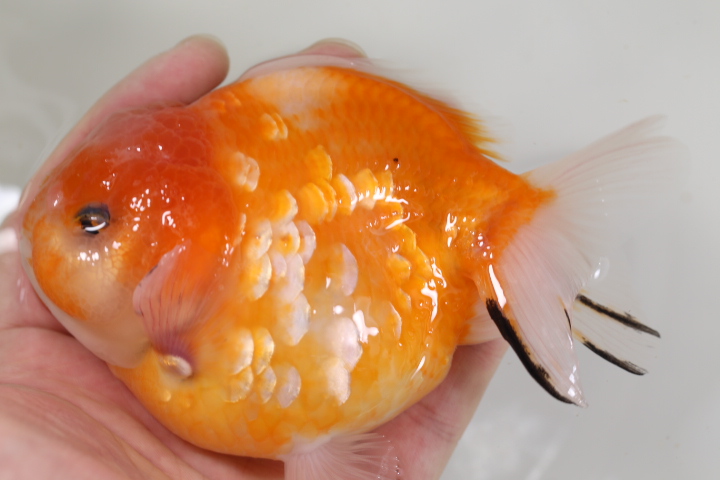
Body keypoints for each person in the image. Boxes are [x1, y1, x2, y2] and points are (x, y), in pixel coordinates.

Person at [0, 36, 507, 479]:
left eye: (92, 222)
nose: (36, 235)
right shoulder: (149, 341)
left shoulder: (167, 331)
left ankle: (507, 216)